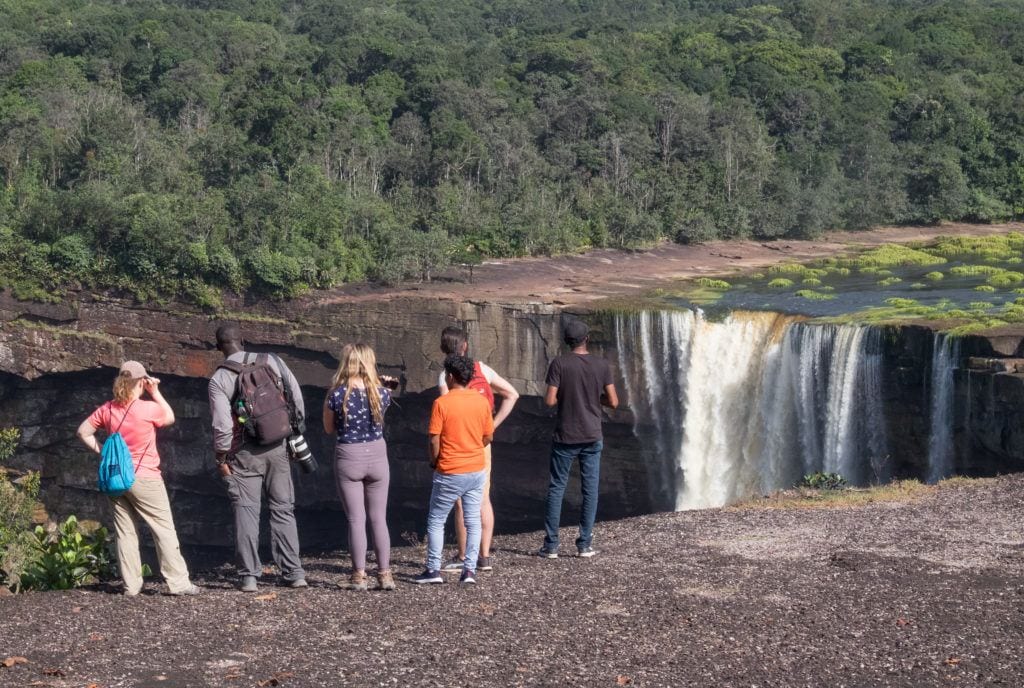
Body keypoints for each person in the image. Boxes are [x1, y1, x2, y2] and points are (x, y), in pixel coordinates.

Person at [76, 361, 200, 596]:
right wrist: (156, 392)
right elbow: (170, 417)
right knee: (163, 529)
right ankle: (179, 583)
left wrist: (104, 451)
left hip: (116, 478)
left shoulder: (108, 409)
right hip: (145, 477)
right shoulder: (147, 409)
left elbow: (83, 431)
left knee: (125, 532)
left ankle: (131, 586)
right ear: (142, 381)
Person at [208, 324, 307, 592]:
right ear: (243, 340)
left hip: (244, 452)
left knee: (247, 511)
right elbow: (295, 398)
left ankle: (249, 576)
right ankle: (294, 573)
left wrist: (221, 456)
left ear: (219, 347)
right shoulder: (273, 361)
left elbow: (222, 425)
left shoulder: (220, 378)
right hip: (278, 447)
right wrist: (294, 434)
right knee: (283, 509)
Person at [436, 326, 519, 573]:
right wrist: (491, 426)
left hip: (458, 445)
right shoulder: (483, 369)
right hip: (483, 443)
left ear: (443, 349)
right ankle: (484, 556)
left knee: (461, 501)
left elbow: (445, 412)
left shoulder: (446, 377)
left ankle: (463, 556)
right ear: (465, 346)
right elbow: (512, 394)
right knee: (482, 499)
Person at [539, 319, 618, 559]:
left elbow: (550, 401)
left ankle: (551, 546)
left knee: (556, 488)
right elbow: (614, 402)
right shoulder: (601, 365)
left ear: (567, 341)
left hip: (566, 435)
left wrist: (567, 395)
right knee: (590, 490)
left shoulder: (559, 363)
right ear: (587, 339)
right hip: (592, 435)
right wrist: (596, 399)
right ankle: (584, 544)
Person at [414, 355, 494, 585]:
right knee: (472, 520)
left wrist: (434, 461)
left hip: (449, 469)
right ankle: (469, 571)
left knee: (437, 520)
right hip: (476, 469)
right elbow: (488, 436)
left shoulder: (443, 403)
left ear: (450, 376)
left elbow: (433, 439)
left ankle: (432, 570)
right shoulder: (482, 402)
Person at [323, 343, 396, 592]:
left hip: (349, 455)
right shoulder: (382, 393)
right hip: (377, 454)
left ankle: (359, 576)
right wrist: (387, 385)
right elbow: (384, 402)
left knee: (356, 519)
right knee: (379, 518)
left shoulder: (335, 394)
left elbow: (328, 429)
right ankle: (385, 575)